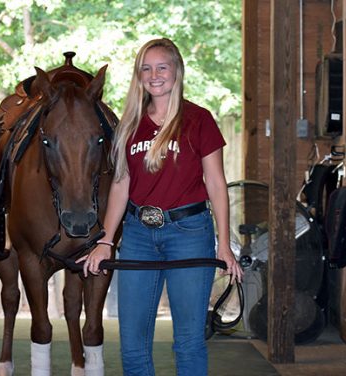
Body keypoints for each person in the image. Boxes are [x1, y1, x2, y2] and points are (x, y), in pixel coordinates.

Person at [76, 38, 243, 375]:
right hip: (138, 236)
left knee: (188, 341)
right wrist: (105, 240)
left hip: (189, 233)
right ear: (139, 76)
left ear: (176, 71)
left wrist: (224, 245)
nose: (154, 75)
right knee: (133, 346)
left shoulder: (199, 120)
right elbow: (121, 186)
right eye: (146, 69)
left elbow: (215, 184)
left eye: (161, 67)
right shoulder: (129, 125)